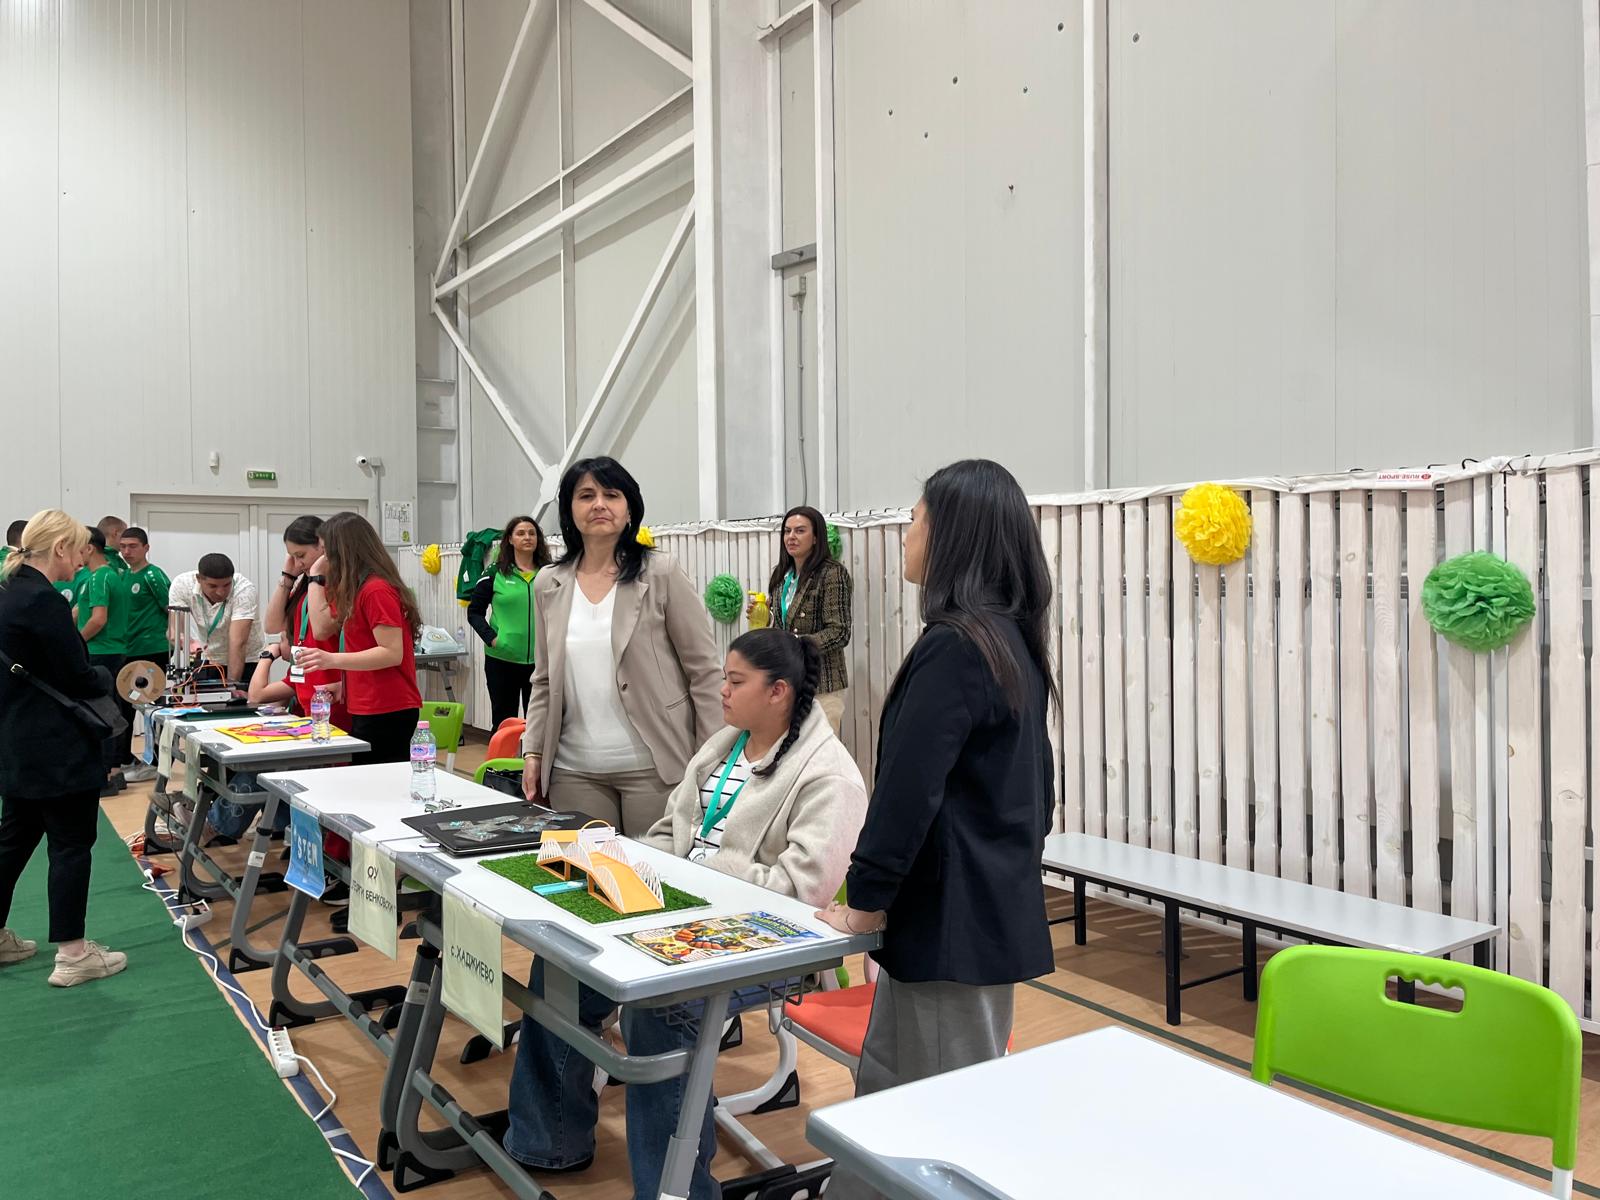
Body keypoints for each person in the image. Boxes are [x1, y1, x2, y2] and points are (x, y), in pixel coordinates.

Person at [506, 629, 866, 1197]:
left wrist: (700, 875)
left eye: (736, 681)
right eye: (723, 678)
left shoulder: (830, 776)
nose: (722, 691)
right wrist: (630, 866)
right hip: (679, 910)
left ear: (778, 692)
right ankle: (548, 1139)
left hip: (767, 942)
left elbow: (802, 893)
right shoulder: (724, 746)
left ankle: (676, 1189)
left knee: (660, 1009)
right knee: (562, 966)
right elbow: (667, 831)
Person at [816, 461, 1057, 1200]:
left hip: (953, 926)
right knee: (890, 1100)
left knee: (943, 1123)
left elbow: (906, 793)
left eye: (915, 518)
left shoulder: (959, 646)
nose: (905, 532)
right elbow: (1037, 797)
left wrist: (865, 900)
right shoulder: (1005, 639)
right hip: (964, 917)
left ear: (953, 534)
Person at [519, 457, 723, 836]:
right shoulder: (549, 582)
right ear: (569, 510)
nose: (599, 504)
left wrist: (710, 757)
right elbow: (544, 680)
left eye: (611, 495)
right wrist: (533, 751)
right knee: (587, 870)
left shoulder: (660, 572)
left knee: (656, 870)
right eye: (586, 496)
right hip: (573, 770)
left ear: (629, 508)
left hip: (656, 766)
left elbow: (705, 672)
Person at [0, 510, 128, 986]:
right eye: (78, 550)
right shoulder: (44, 600)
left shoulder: (7, 593)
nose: (81, 560)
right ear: (59, 549)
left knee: (13, 841)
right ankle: (73, 954)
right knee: (71, 845)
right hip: (58, 746)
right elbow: (77, 675)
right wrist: (105, 676)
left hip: (15, 741)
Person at [298, 512, 422, 763]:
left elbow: (391, 653)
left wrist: (331, 659)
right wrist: (345, 685)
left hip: (388, 707)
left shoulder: (376, 590)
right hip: (370, 705)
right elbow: (331, 631)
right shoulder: (359, 588)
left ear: (342, 551)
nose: (323, 559)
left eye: (326, 551)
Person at [753, 505, 852, 732]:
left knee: (820, 751)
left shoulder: (832, 573)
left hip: (823, 684)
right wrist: (764, 617)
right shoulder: (781, 574)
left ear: (816, 537)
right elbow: (782, 626)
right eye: (787, 531)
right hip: (788, 682)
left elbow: (839, 632)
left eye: (800, 531)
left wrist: (796, 645)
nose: (791, 537)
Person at [263, 516, 350, 734]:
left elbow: (321, 632)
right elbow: (272, 625)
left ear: (323, 547)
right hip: (308, 694)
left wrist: (316, 577)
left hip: (335, 693)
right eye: (292, 557)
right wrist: (287, 577)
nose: (298, 563)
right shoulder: (305, 590)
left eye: (301, 555)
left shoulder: (337, 588)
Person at [467, 514, 550, 731]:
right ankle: (503, 756)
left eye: (532, 533)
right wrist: (493, 639)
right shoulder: (495, 573)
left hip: (541, 661)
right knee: (504, 724)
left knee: (540, 725)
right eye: (521, 533)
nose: (527, 537)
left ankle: (534, 756)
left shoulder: (549, 573)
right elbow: (474, 612)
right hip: (502, 660)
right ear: (510, 539)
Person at [78, 526, 132, 792]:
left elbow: (98, 619)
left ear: (89, 548)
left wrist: (76, 642)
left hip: (102, 651)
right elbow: (79, 611)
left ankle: (107, 775)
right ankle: (113, 770)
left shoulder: (99, 577)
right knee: (110, 709)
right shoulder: (107, 575)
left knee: (101, 713)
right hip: (111, 650)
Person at [168, 553, 264, 689]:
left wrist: (231, 688)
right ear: (198, 579)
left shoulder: (244, 591)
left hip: (246, 658)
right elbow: (174, 631)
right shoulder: (182, 585)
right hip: (210, 658)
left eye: (226, 585)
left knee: (237, 697)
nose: (220, 592)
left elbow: (238, 643)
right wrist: (186, 642)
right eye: (213, 586)